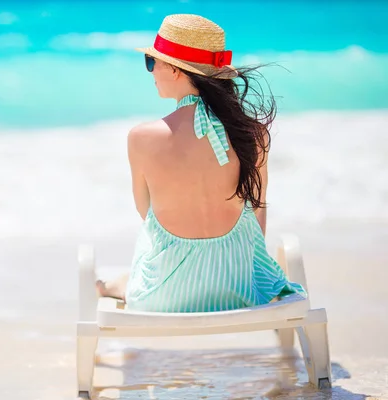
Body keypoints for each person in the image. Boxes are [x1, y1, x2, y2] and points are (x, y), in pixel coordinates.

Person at [96, 14, 306, 312]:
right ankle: (121, 283)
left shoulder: (141, 137)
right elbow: (259, 213)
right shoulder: (253, 134)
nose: (151, 71)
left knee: (141, 256)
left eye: (151, 62)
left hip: (165, 298)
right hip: (243, 290)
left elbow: (148, 215)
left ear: (176, 69)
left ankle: (117, 286)